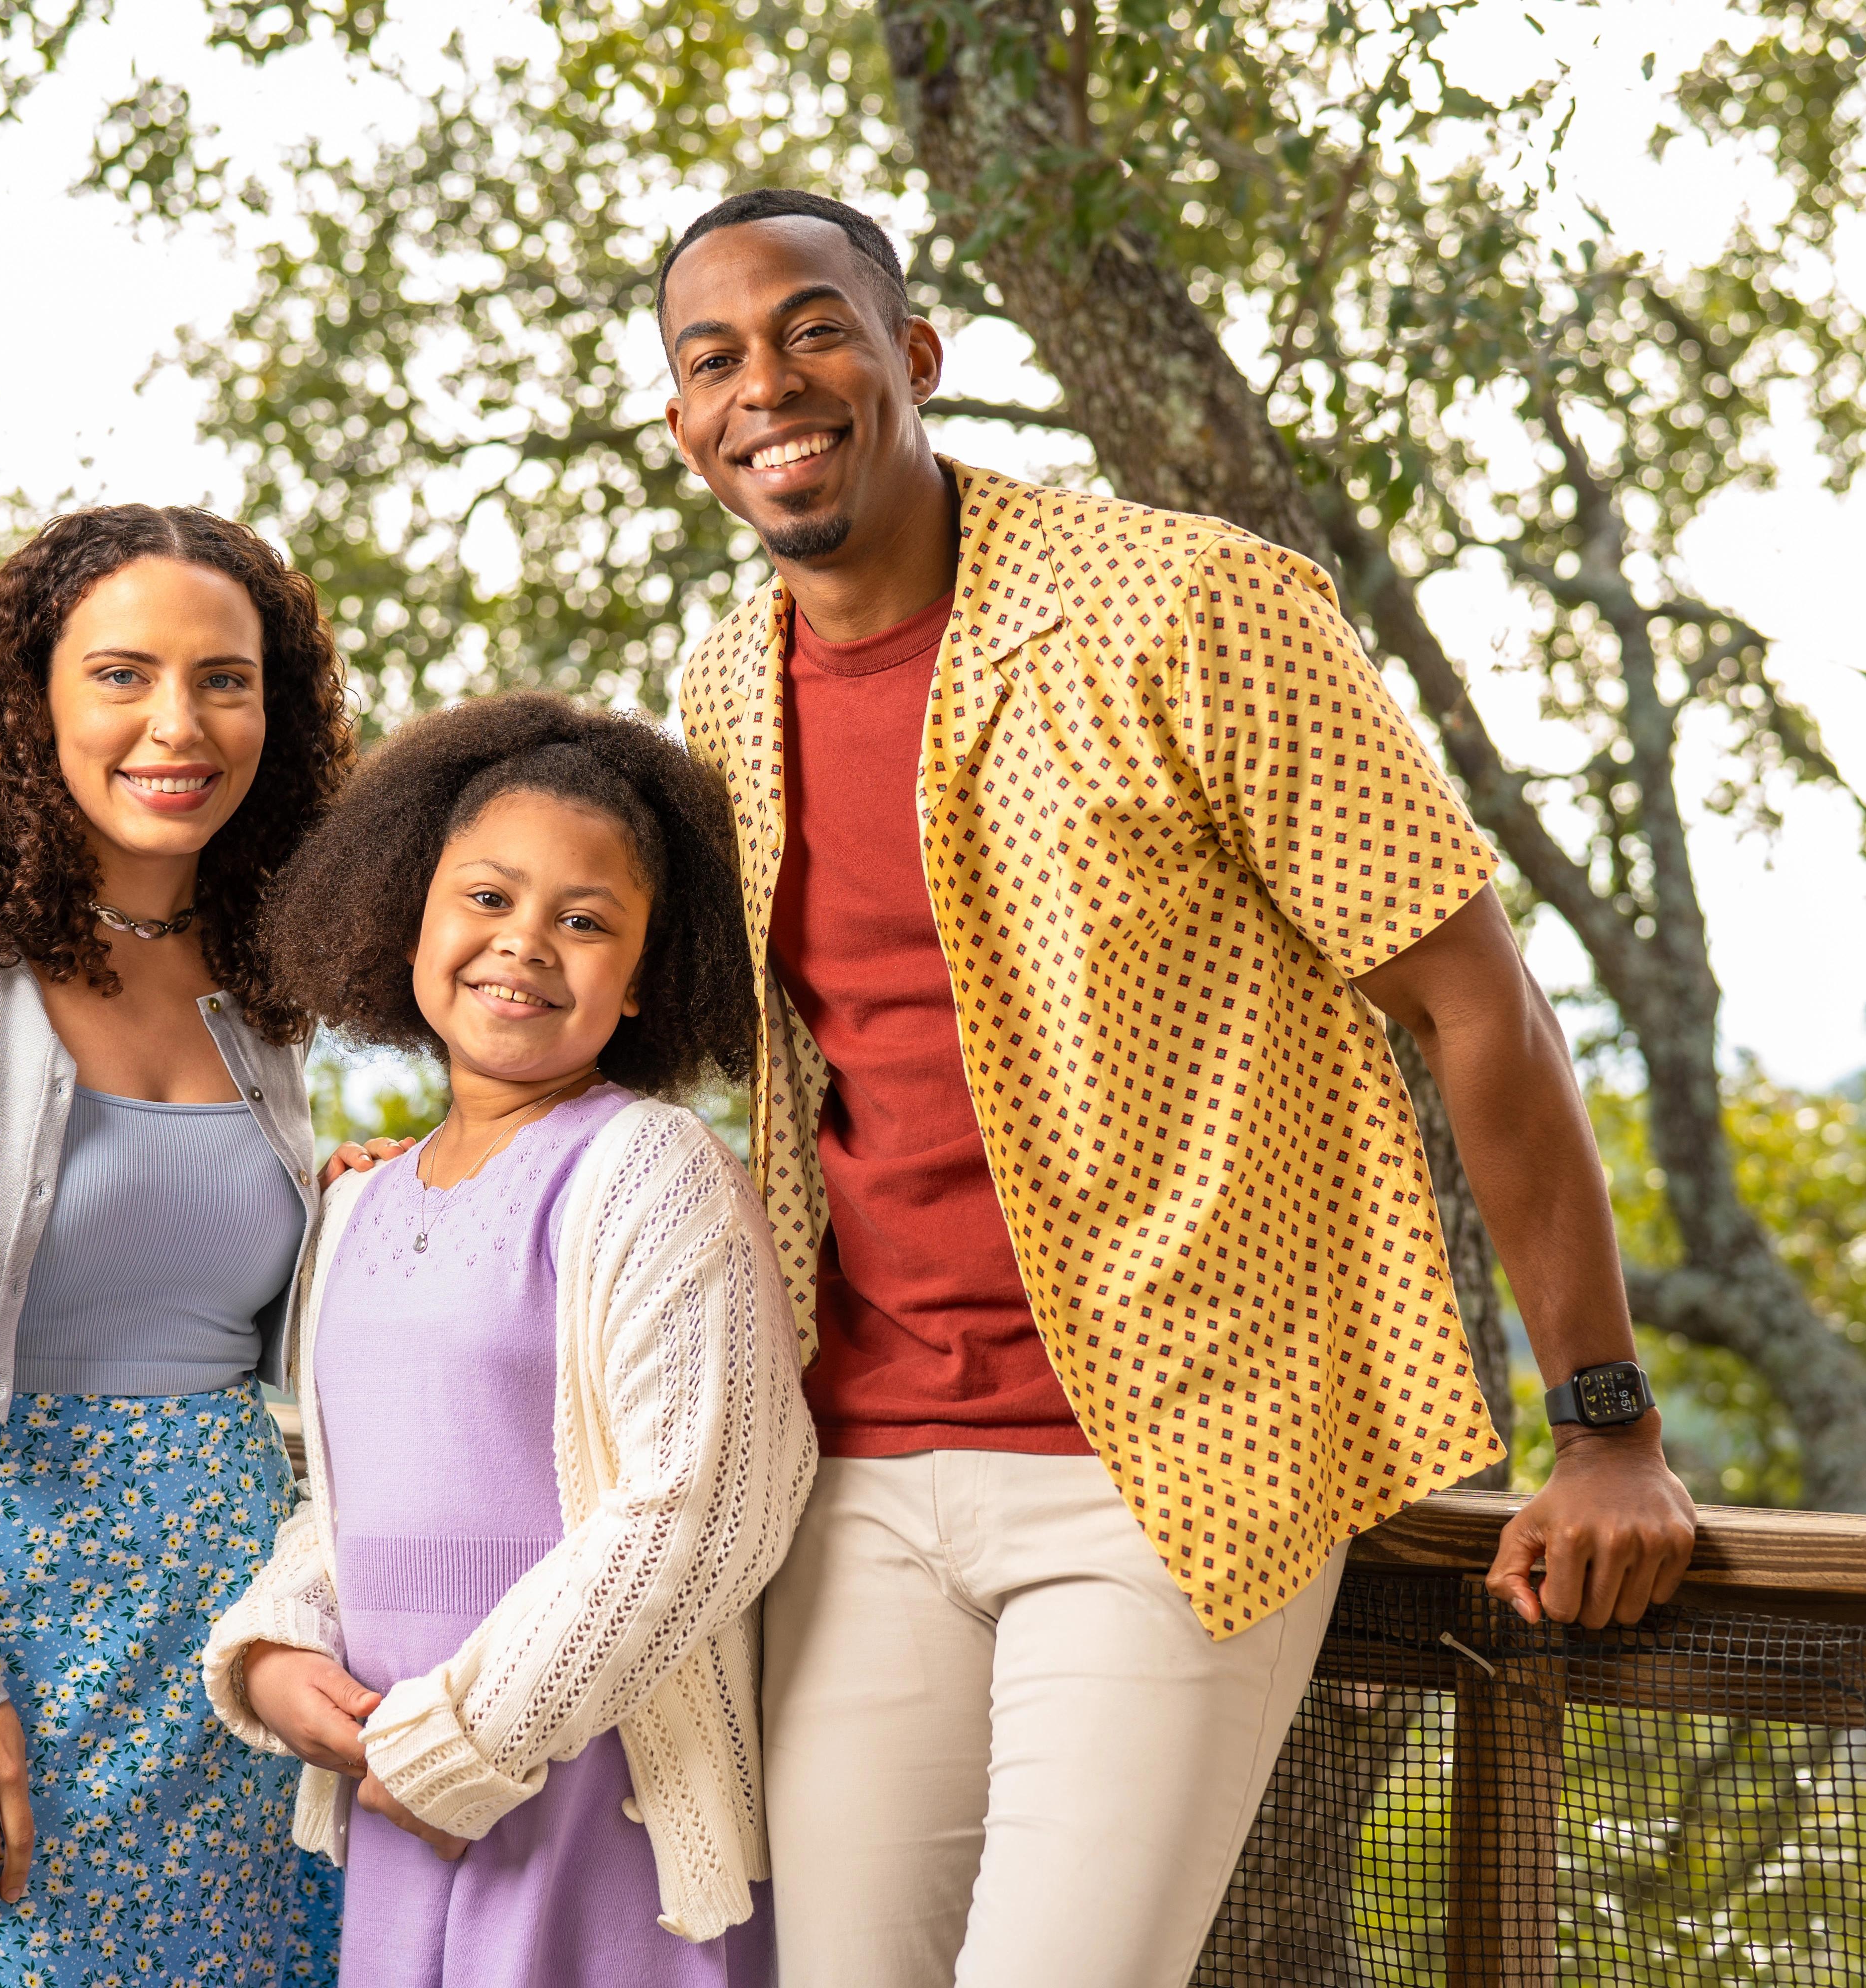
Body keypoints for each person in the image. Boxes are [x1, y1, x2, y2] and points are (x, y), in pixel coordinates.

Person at [657, 189, 1703, 1988]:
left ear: (911, 358)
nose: (771, 383)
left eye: (814, 328)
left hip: (1168, 1465)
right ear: (684, 425)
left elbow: (1478, 1002)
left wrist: (1606, 1427)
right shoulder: (721, 683)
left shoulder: (1194, 605)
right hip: (853, 1480)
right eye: (714, 358)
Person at [0, 506, 390, 1988]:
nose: (180, 723)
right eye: (123, 675)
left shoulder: (264, 968)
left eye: (226, 680)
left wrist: (366, 1218)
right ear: (33, 695)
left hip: (214, 1636)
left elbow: (232, 1307)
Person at [199, 692, 814, 1988]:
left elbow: (701, 1509)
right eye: (486, 898)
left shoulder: (655, 1170)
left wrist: (465, 1743)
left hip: (590, 1787)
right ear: (411, 910)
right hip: (398, 1800)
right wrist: (274, 1650)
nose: (524, 942)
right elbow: (349, 1505)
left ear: (647, 975)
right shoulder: (360, 1202)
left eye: (584, 921)